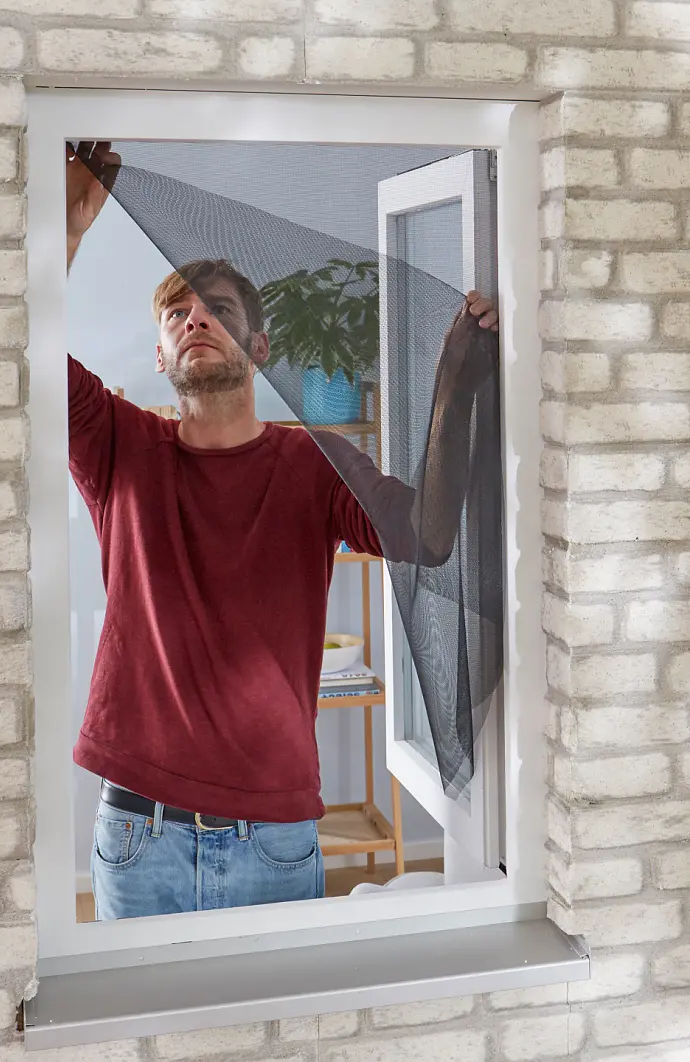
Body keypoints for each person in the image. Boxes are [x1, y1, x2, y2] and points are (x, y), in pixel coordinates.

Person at [63, 141, 499, 919]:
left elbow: (426, 537)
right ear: (161, 354)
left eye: (219, 311)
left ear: (260, 350)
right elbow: (19, 352)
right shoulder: (119, 445)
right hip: (139, 833)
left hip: (275, 839)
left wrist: (454, 387)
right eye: (177, 314)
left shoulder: (315, 461)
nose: (196, 318)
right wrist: (65, 232)